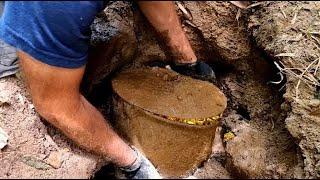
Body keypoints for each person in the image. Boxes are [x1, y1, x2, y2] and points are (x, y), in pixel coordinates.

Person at [0, 1, 215, 179]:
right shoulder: (58, 7)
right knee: (17, 61)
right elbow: (57, 106)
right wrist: (134, 164)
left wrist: (185, 60)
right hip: (48, 12)